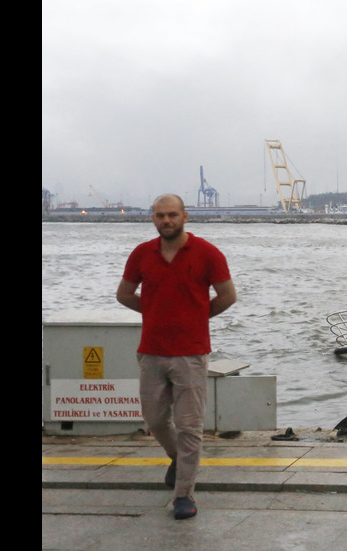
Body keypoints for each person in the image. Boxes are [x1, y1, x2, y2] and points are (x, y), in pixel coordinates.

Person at [116, 194, 237, 520]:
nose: (166, 221)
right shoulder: (142, 254)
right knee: (154, 421)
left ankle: (184, 494)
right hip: (151, 351)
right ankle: (177, 458)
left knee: (189, 426)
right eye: (160, 215)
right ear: (152, 218)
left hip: (191, 353)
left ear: (185, 216)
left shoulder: (208, 253)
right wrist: (156, 312)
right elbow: (124, 294)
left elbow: (228, 296)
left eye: (172, 215)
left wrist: (196, 316)